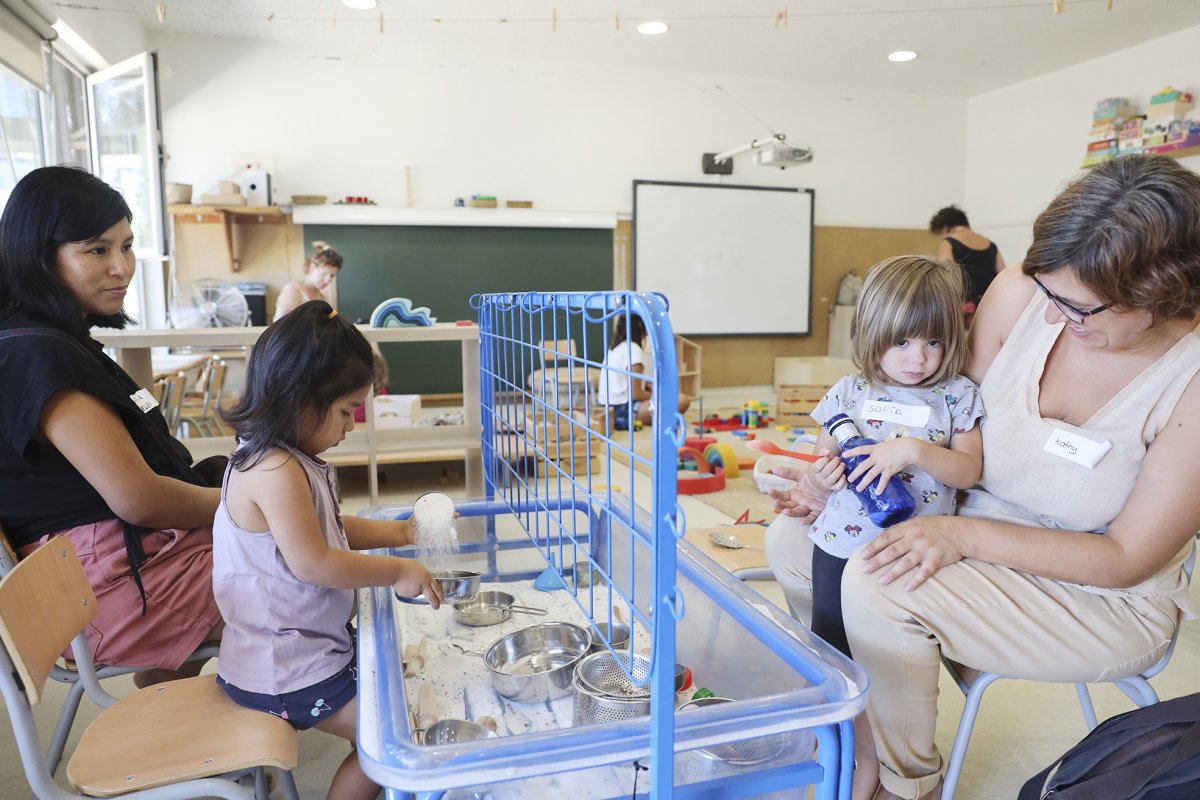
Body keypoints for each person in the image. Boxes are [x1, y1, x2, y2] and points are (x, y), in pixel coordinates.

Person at [768, 153, 1200, 800]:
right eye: (1052, 293)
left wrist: (959, 538)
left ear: (1165, 294)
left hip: (1098, 591)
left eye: (1082, 309)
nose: (1054, 318)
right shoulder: (1027, 296)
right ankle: (857, 729)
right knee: (793, 542)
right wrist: (837, 479)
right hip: (962, 522)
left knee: (878, 581)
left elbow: (1125, 558)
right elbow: (932, 415)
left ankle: (902, 781)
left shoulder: (1187, 376)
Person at [0, 166, 223, 685]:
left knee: (304, 536)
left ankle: (180, 727)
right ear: (38, 257)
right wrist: (251, 503)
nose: (121, 267)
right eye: (97, 250)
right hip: (103, 588)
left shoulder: (50, 341)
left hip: (110, 566)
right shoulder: (39, 355)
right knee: (318, 573)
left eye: (127, 246)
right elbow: (140, 500)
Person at [213, 299, 442, 800]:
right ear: (300, 400)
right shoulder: (273, 470)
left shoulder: (292, 458)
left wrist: (399, 535)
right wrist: (396, 571)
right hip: (284, 671)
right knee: (390, 736)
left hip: (302, 651)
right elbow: (315, 562)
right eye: (345, 411)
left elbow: (330, 533)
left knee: (393, 703)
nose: (351, 425)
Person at [796, 256, 984, 800]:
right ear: (871, 334)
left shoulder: (957, 396)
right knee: (835, 655)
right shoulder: (848, 393)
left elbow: (969, 469)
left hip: (905, 554)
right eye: (901, 342)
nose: (918, 358)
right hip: (837, 545)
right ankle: (853, 751)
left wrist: (915, 451)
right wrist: (821, 475)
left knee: (886, 662)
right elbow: (817, 462)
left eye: (933, 343)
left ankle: (878, 761)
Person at [595, 312, 691, 430]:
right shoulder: (633, 350)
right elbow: (636, 394)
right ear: (640, 325)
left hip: (607, 407)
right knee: (682, 400)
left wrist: (650, 389)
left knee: (669, 397)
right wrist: (659, 395)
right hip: (623, 410)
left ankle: (663, 416)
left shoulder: (615, 348)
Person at [929, 205, 1007, 322]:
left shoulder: (948, 243)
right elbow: (1003, 276)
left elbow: (945, 277)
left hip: (965, 308)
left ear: (945, 228)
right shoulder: (991, 245)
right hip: (992, 305)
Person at [273, 240, 343, 321]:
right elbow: (281, 325)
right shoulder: (292, 289)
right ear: (312, 267)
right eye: (324, 274)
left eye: (331, 276)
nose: (327, 281)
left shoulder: (320, 294)